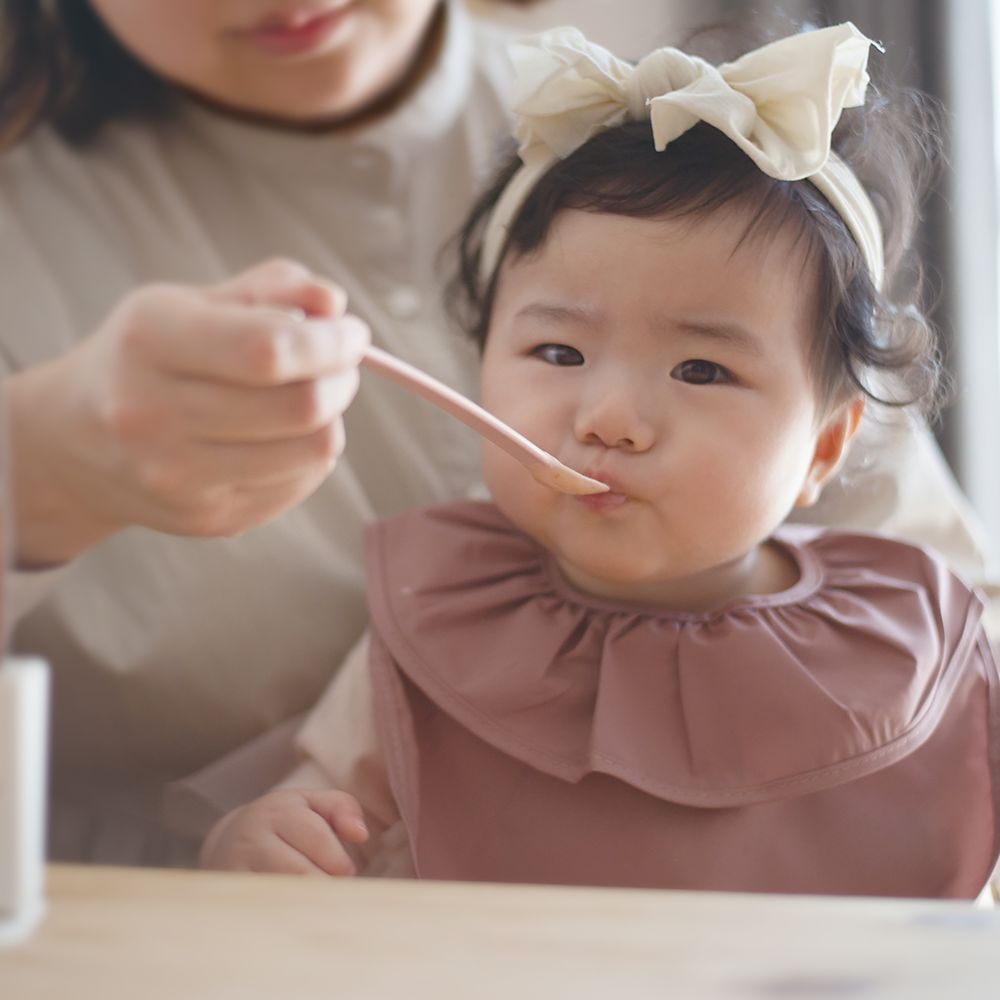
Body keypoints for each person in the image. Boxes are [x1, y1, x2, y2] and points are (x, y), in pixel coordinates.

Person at [0, 2, 994, 870]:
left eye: (699, 368)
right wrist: (36, 470)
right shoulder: (433, 603)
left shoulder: (714, 156)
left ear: (828, 447)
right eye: (557, 352)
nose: (607, 417)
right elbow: (315, 801)